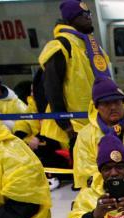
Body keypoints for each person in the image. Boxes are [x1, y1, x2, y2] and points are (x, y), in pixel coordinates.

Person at [37, 0, 112, 151]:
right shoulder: (60, 45)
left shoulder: (91, 45)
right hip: (75, 128)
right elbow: (52, 88)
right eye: (83, 15)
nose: (89, 18)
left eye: (89, 14)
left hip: (99, 123)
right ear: (71, 19)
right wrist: (65, 124)